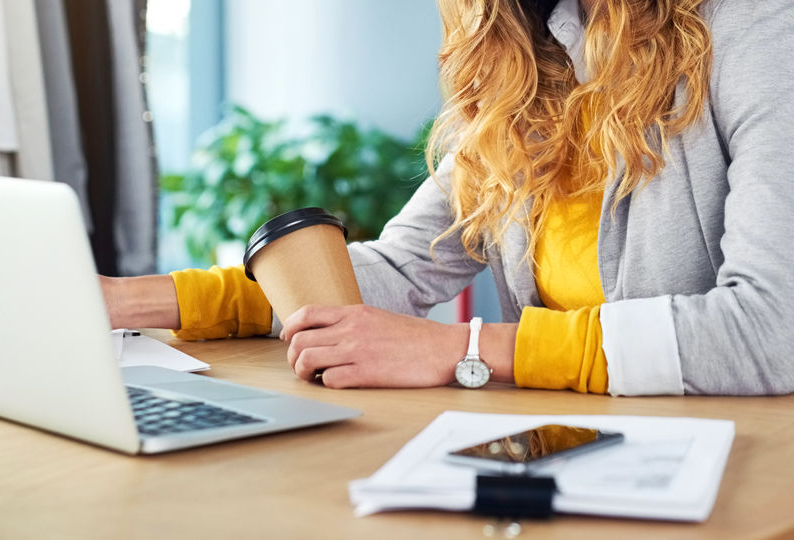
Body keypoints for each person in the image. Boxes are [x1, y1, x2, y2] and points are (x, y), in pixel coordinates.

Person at [102, 0, 794, 396]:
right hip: (573, 440)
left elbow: (773, 331)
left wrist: (465, 348)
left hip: (725, 458)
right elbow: (400, 271)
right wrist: (132, 301)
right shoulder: (527, 55)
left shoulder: (759, 31)